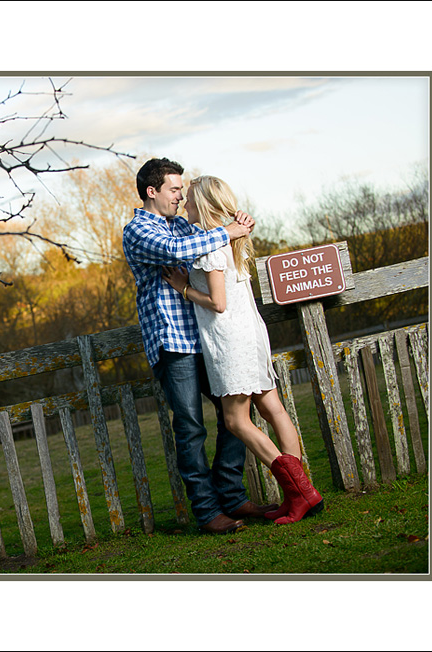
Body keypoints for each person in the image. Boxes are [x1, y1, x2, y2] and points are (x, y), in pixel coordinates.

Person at [122, 158, 277, 534]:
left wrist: (233, 220)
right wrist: (230, 230)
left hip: (206, 338)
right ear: (152, 191)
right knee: (191, 427)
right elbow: (180, 250)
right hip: (173, 342)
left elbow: (209, 240)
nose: (180, 196)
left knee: (234, 413)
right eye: (175, 190)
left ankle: (232, 494)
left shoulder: (182, 225)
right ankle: (208, 512)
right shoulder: (139, 230)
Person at [162, 175, 323, 524]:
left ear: (203, 204)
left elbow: (217, 303)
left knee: (236, 419)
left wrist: (183, 287)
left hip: (230, 339)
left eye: (189, 199)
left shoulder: (208, 247)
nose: (185, 204)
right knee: (273, 410)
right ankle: (301, 493)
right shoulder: (235, 238)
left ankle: (300, 492)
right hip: (252, 333)